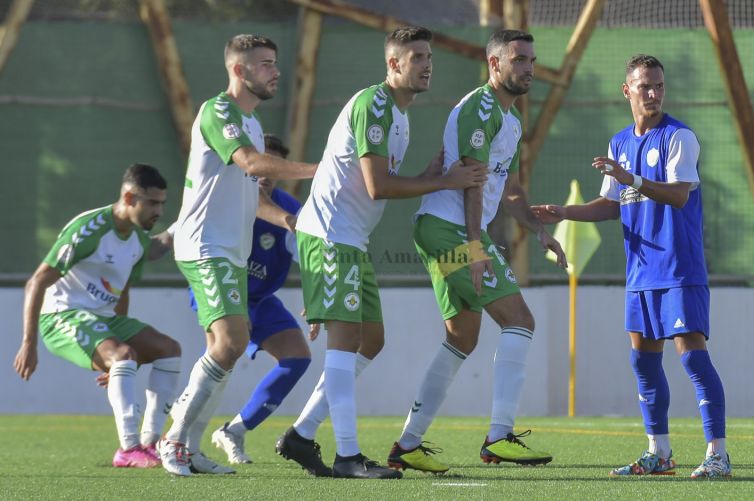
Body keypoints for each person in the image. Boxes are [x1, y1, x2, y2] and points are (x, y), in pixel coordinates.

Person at [276, 26, 488, 479]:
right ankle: (348, 456)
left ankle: (301, 434)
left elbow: (378, 181)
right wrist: (443, 181)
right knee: (345, 340)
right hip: (332, 236)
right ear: (393, 64)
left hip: (351, 241)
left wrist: (429, 173)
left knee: (372, 340)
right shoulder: (374, 104)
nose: (427, 64)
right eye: (416, 57)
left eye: (429, 56)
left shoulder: (400, 116)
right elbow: (377, 187)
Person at [531, 54, 731, 479]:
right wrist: (563, 211)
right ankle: (658, 452)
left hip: (678, 268)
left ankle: (718, 454)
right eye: (645, 87)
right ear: (627, 90)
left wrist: (632, 179)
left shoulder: (679, 137)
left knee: (693, 359)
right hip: (641, 273)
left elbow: (677, 196)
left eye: (659, 85)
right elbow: (611, 204)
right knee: (643, 362)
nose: (654, 94)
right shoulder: (620, 143)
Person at [386, 29, 567, 475]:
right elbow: (469, 180)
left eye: (531, 59)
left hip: (446, 233)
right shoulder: (479, 109)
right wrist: (475, 245)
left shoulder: (512, 120)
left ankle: (407, 444)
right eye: (519, 59)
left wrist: (539, 230)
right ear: (495, 64)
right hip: (450, 232)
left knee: (462, 337)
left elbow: (509, 188)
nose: (528, 68)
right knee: (519, 319)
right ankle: (499, 437)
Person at [159, 34, 317, 477]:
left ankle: (190, 445)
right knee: (230, 342)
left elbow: (249, 191)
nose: (275, 71)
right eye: (265, 64)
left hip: (228, 251)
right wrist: (321, 170)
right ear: (238, 70)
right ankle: (173, 442)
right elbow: (251, 164)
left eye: (275, 62)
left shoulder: (249, 122)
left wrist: (286, 220)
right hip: (204, 246)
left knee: (223, 348)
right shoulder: (219, 111)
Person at [13, 164, 181, 469]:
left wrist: (117, 353)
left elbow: (122, 289)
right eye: (152, 203)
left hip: (103, 319)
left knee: (169, 350)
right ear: (129, 198)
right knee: (124, 355)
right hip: (62, 316)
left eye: (162, 203)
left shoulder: (137, 239)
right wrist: (29, 343)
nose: (159, 211)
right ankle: (128, 449)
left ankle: (150, 442)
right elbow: (36, 281)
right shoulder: (89, 230)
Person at [181, 135, 317, 468]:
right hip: (221, 287)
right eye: (262, 164)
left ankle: (235, 430)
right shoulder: (229, 197)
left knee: (297, 357)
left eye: (275, 168)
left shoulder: (292, 210)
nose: (267, 175)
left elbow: (310, 258)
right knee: (221, 359)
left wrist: (317, 301)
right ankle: (179, 438)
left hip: (259, 298)